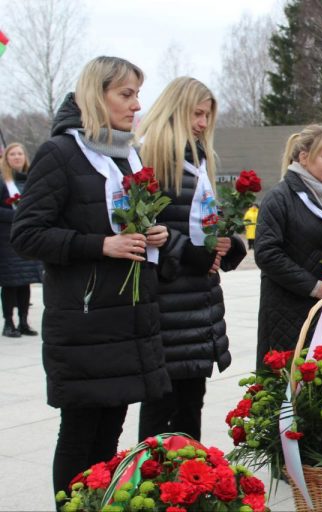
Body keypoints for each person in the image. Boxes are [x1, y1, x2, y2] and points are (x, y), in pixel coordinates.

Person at [10, 56, 171, 498]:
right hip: (83, 324)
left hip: (125, 322)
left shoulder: (128, 155)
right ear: (93, 96)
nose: (137, 105)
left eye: (137, 94)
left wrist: (157, 233)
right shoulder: (61, 153)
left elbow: (130, 223)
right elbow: (27, 234)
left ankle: (99, 506)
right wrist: (100, 244)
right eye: (125, 94)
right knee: (80, 433)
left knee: (109, 437)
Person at [135, 77, 246, 441]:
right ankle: (152, 486)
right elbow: (147, 224)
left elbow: (207, 219)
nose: (202, 123)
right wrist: (188, 251)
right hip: (168, 300)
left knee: (190, 403)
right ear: (175, 109)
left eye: (207, 116)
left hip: (200, 300)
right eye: (196, 114)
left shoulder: (200, 161)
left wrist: (228, 245)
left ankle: (189, 485)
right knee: (161, 409)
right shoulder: (149, 156)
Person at [253, 125, 322, 368]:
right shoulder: (279, 198)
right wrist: (313, 287)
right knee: (285, 390)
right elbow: (266, 253)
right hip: (286, 311)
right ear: (304, 157)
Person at [1, 142, 43, 337]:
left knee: (25, 280)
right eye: (13, 154)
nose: (17, 157)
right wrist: (16, 215)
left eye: (20, 154)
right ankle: (9, 323)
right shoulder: (3, 181)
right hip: (7, 238)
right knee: (11, 282)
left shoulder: (31, 179)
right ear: (6, 158)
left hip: (27, 237)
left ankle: (24, 322)